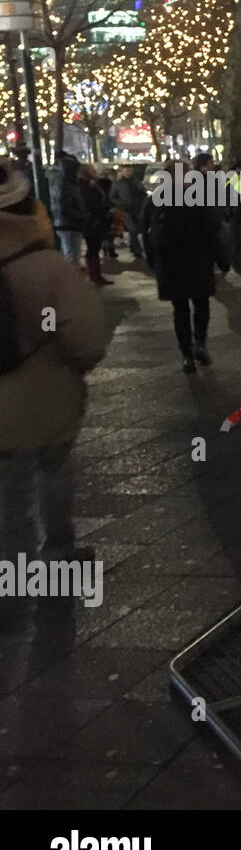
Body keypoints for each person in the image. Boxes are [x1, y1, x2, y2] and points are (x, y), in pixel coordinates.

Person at [0, 160, 107, 565]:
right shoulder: (49, 267)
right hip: (45, 395)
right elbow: (87, 341)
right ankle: (57, 551)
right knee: (53, 470)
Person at [143, 160, 229, 372]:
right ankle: (200, 342)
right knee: (201, 304)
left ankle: (186, 354)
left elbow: (144, 229)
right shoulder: (198, 198)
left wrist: (154, 261)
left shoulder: (157, 199)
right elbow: (214, 231)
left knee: (179, 309)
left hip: (171, 263)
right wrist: (222, 261)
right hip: (198, 261)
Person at [49, 151, 85, 266]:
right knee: (71, 256)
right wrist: (82, 217)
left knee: (72, 255)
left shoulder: (66, 183)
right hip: (68, 224)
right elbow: (64, 207)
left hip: (68, 224)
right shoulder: (65, 185)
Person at [82, 173, 115, 287]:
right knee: (93, 248)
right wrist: (104, 208)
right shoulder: (86, 188)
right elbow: (91, 205)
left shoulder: (93, 186)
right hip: (93, 222)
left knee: (94, 248)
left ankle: (95, 274)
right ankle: (94, 274)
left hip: (95, 221)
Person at [110, 164, 147, 259]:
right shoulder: (118, 184)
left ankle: (133, 247)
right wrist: (120, 203)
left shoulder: (137, 182)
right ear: (122, 172)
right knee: (132, 229)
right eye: (126, 171)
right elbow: (112, 197)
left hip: (137, 209)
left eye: (130, 170)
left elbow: (143, 193)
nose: (128, 172)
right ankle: (137, 250)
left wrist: (142, 201)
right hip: (126, 210)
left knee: (134, 230)